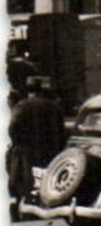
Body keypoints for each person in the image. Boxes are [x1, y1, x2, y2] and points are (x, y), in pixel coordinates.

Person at [8, 77, 66, 216]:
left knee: (24, 179)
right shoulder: (54, 106)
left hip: (27, 150)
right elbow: (61, 130)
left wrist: (17, 143)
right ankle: (45, 202)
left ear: (27, 90)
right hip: (49, 150)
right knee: (45, 178)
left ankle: (25, 205)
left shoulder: (22, 106)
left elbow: (13, 128)